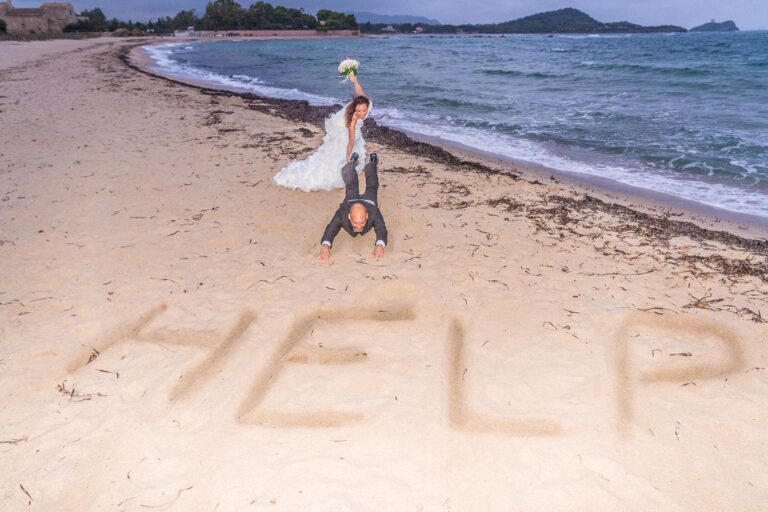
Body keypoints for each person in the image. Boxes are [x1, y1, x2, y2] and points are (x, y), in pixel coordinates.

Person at [273, 74, 371, 192]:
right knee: (344, 148)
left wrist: (355, 81)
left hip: (350, 125)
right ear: (355, 109)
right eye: (359, 110)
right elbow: (351, 140)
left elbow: (359, 91)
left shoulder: (365, 101)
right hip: (344, 128)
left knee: (357, 141)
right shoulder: (353, 119)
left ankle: (354, 160)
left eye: (364, 110)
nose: (362, 113)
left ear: (367, 105)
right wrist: (347, 158)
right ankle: (348, 161)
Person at [319, 152, 387, 264]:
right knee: (351, 185)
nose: (359, 227)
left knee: (372, 186)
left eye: (362, 222)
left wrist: (380, 245)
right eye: (356, 223)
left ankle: (372, 165)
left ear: (366, 216)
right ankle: (352, 163)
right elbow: (331, 228)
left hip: (368, 201)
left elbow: (381, 228)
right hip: (351, 200)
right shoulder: (342, 213)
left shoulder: (373, 212)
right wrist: (326, 246)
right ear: (349, 216)